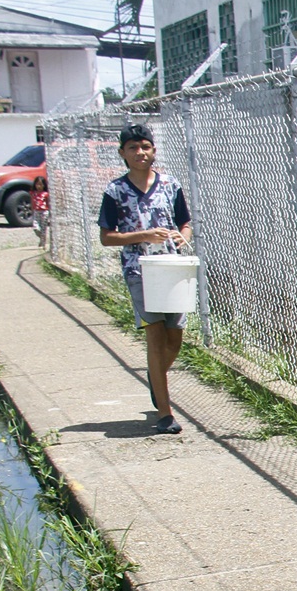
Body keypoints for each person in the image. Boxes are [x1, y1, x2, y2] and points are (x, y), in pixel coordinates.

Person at [97, 123, 192, 435]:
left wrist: (182, 236)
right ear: (123, 153)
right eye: (133, 148)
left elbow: (185, 222)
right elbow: (107, 237)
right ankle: (165, 413)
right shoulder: (115, 191)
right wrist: (143, 236)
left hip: (172, 268)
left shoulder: (170, 185)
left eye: (146, 146)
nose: (140, 153)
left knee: (174, 336)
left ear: (154, 150)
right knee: (154, 334)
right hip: (139, 270)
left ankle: (156, 378)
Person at [31, 176, 50, 243]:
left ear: (44, 185)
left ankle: (43, 242)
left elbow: (48, 202)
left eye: (41, 184)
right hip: (36, 211)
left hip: (44, 211)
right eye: (37, 184)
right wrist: (32, 209)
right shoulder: (33, 193)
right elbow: (32, 201)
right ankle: (41, 237)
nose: (39, 186)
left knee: (43, 227)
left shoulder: (46, 194)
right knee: (35, 226)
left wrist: (49, 211)